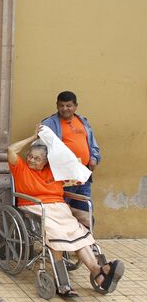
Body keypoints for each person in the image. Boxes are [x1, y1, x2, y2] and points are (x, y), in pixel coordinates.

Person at [7, 126, 123, 296]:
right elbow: (11, 149)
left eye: (37, 159)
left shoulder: (54, 170)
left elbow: (69, 163)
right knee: (57, 235)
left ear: (46, 161)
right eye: (30, 156)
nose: (32, 160)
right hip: (34, 206)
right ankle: (62, 283)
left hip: (59, 208)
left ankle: (99, 273)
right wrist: (33, 137)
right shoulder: (21, 168)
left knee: (76, 232)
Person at [42, 91, 100, 226]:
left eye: (68, 106)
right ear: (57, 105)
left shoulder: (83, 121)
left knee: (84, 209)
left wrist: (94, 158)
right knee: (63, 211)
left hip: (82, 174)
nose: (65, 109)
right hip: (63, 175)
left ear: (76, 106)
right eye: (61, 105)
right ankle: (65, 242)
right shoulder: (49, 123)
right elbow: (42, 148)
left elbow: (92, 144)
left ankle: (86, 242)